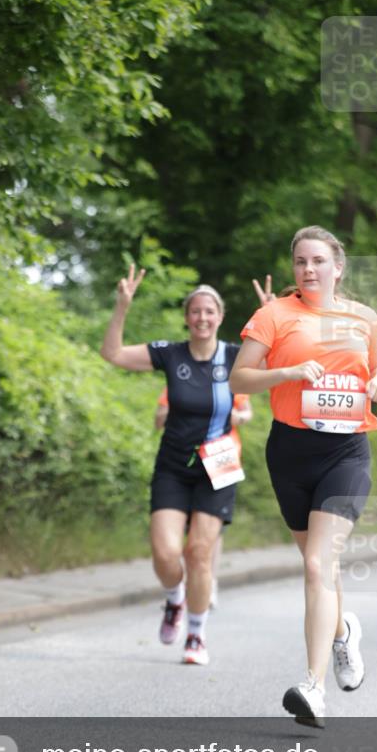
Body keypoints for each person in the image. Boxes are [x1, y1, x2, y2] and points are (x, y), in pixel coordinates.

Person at [230, 226, 377, 726]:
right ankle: (343, 632)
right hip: (290, 453)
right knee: (318, 564)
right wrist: (287, 372)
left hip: (345, 453)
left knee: (318, 566)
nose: (308, 269)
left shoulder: (362, 317)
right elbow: (239, 377)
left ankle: (314, 686)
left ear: (337, 267)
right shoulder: (274, 315)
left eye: (318, 261)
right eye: (301, 261)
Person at [100, 268, 243, 666]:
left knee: (199, 552)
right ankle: (174, 600)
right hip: (173, 464)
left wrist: (273, 318)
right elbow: (112, 354)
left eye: (209, 312)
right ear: (187, 317)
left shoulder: (235, 356)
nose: (202, 318)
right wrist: (121, 307)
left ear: (220, 316)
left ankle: (196, 635)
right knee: (166, 555)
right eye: (195, 311)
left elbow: (284, 363)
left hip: (220, 462)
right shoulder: (171, 353)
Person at [154, 387, 252, 608]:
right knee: (180, 524)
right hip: (184, 456)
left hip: (223, 454)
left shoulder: (228, 377)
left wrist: (238, 417)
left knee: (213, 528)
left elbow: (247, 412)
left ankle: (209, 584)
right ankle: (183, 585)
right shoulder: (182, 378)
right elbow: (160, 416)